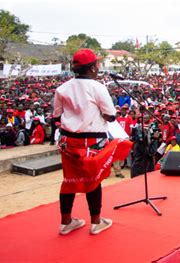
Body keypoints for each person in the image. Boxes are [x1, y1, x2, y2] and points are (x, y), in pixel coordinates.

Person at [53, 48, 130, 235]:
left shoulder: (62, 89)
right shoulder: (98, 88)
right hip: (92, 141)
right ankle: (96, 222)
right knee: (93, 181)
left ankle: (66, 222)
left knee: (69, 181)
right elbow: (111, 116)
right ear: (93, 68)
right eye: (98, 63)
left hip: (68, 141)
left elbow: (56, 116)